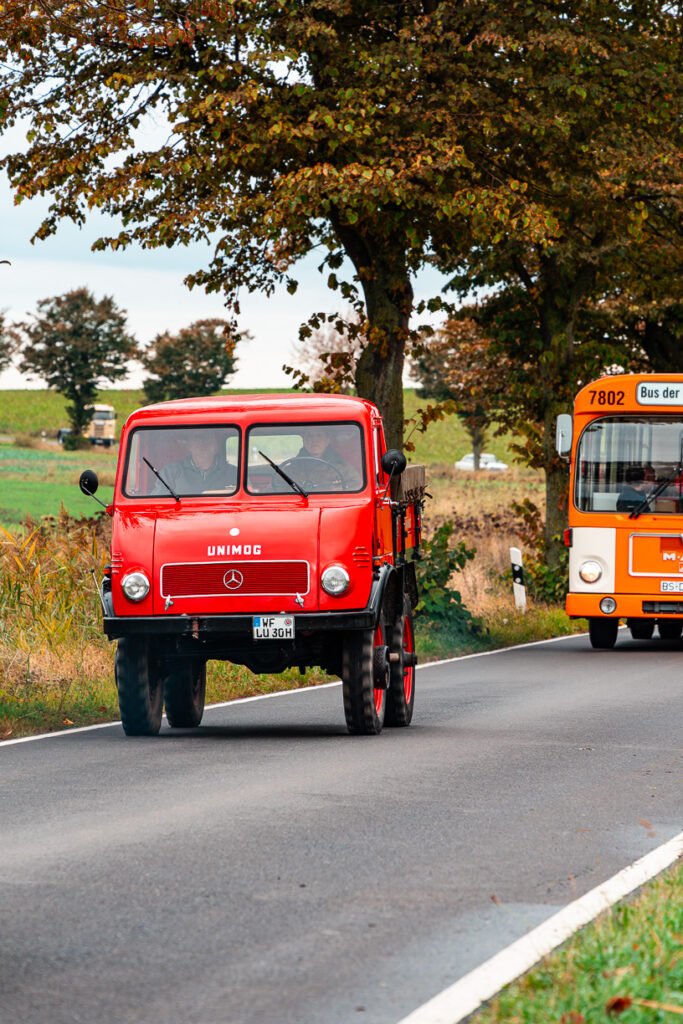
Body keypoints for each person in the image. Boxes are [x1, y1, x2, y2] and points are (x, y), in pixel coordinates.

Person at [152, 429, 237, 495]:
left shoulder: (234, 473)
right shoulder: (171, 472)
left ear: (215, 444)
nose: (202, 442)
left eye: (207, 437)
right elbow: (158, 501)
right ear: (189, 446)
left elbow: (246, 501)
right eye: (197, 437)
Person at [289, 424, 362, 491]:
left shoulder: (341, 467)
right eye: (309, 436)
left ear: (327, 440)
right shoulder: (293, 468)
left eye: (319, 435)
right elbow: (280, 486)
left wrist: (341, 489)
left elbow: (357, 485)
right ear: (304, 440)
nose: (314, 440)